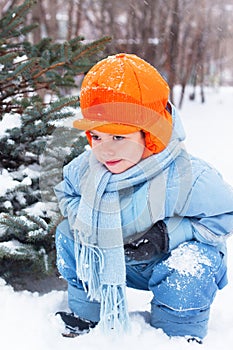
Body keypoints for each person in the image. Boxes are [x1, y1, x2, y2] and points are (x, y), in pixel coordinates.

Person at [54, 53, 233, 342]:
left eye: (119, 137)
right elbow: (67, 195)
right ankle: (88, 312)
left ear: (149, 134)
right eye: (96, 137)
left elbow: (224, 215)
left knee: (195, 261)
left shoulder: (186, 176)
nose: (105, 151)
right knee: (67, 233)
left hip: (166, 260)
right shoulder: (86, 170)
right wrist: (92, 224)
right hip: (112, 258)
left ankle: (176, 331)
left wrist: (166, 235)